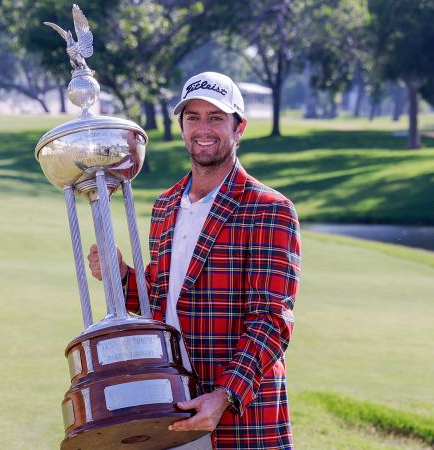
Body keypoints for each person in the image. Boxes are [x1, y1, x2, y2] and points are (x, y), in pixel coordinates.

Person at [89, 72, 301, 449]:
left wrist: (225, 395)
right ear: (182, 126)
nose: (203, 128)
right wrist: (121, 276)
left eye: (216, 117)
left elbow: (272, 322)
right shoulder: (166, 205)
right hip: (170, 407)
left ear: (239, 128)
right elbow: (162, 300)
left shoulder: (269, 210)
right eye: (193, 117)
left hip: (239, 416)